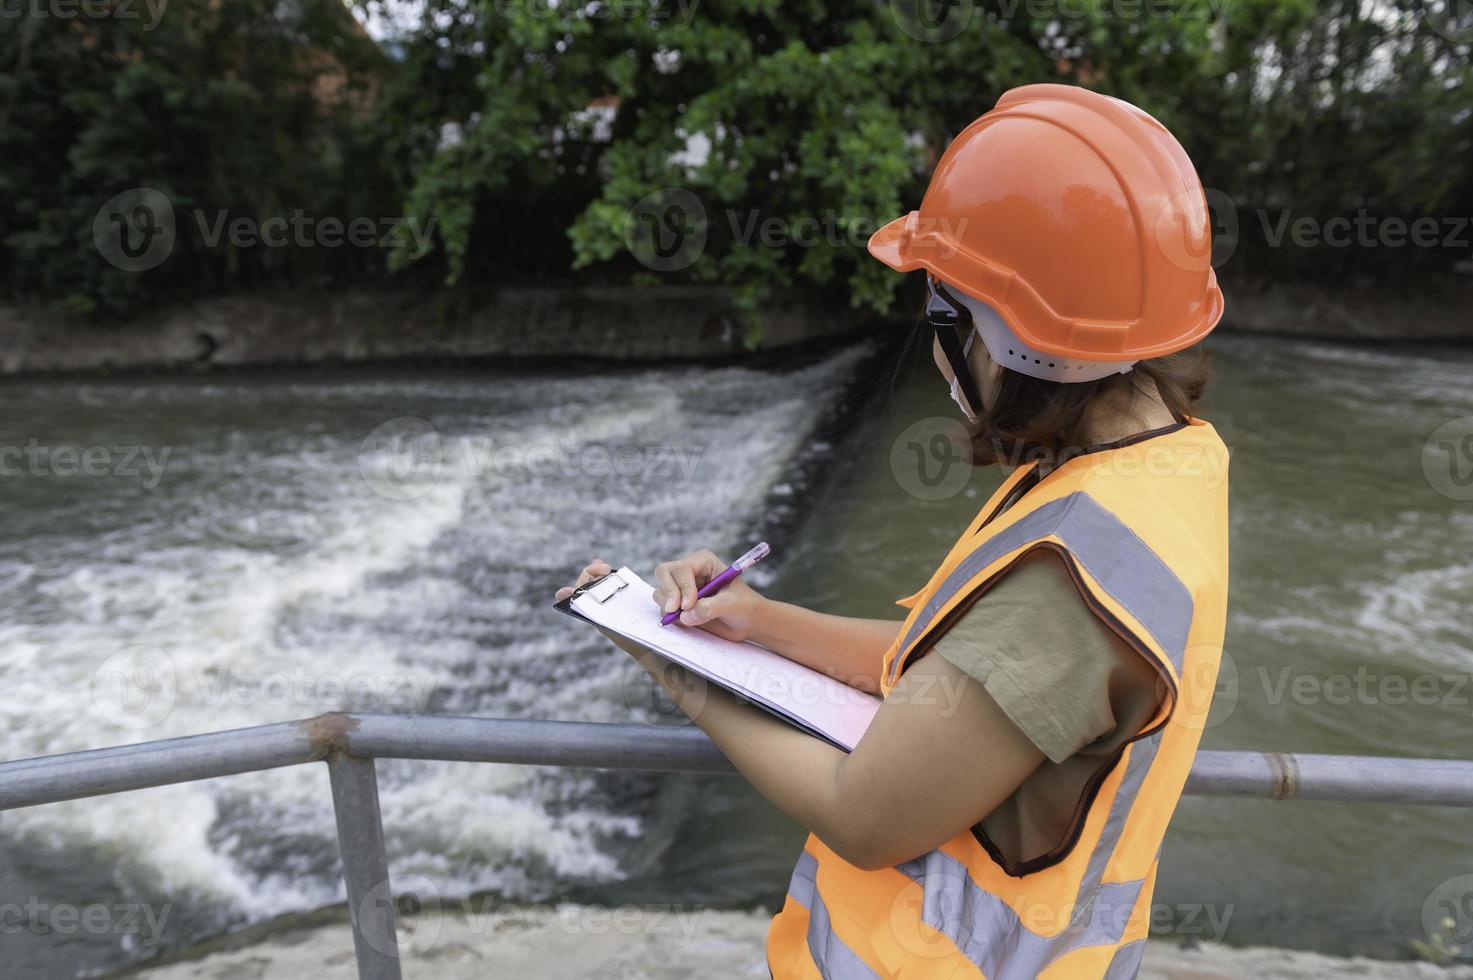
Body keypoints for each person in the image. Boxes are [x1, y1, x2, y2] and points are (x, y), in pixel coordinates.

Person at [556, 83, 1229, 980]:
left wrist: (678, 671)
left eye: (941, 309)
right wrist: (757, 623)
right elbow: (954, 672)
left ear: (999, 335)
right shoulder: (1152, 468)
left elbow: (865, 815)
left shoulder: (1068, 581)